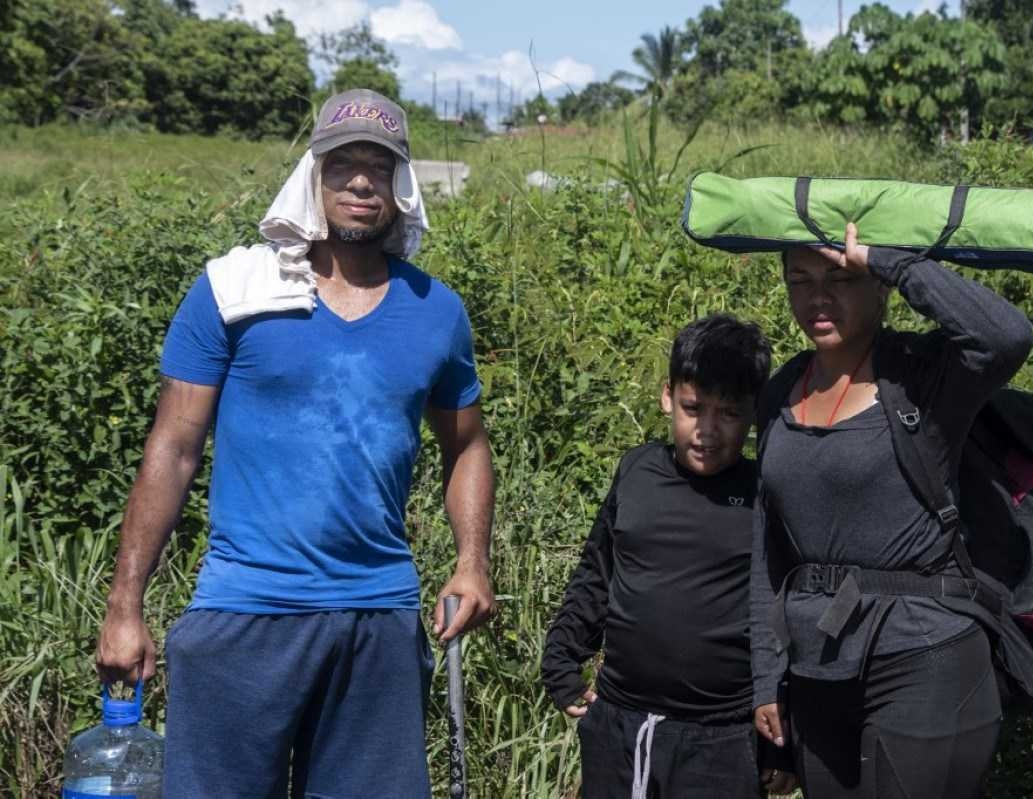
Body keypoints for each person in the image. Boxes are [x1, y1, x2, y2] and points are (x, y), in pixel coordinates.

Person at [94, 89, 496, 797]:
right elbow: (173, 448)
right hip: (245, 613)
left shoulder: (437, 312)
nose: (363, 182)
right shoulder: (235, 291)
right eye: (344, 165)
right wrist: (125, 606)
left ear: (402, 187)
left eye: (381, 166)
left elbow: (466, 444)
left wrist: (472, 562)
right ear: (314, 175)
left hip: (378, 618)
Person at [750, 223, 1033, 798]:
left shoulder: (923, 374)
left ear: (877, 287)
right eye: (799, 280)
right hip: (817, 664)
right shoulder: (782, 389)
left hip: (926, 652)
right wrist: (765, 676)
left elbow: (1006, 337)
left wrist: (894, 262)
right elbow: (767, 550)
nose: (817, 298)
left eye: (840, 278)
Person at [541, 314, 792, 799]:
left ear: (754, 413)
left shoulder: (766, 492)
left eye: (729, 413)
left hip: (721, 740)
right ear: (667, 397)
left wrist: (782, 741)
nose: (708, 430)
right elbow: (597, 572)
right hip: (618, 726)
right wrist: (561, 660)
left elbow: (785, 616)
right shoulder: (636, 471)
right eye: (693, 408)